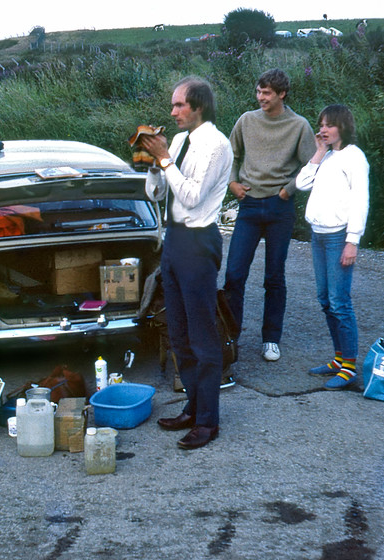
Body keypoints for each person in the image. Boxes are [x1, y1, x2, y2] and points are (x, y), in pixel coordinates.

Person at [138, 77, 233, 450]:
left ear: (199, 107)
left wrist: (164, 160)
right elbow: (159, 193)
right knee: (177, 332)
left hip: (198, 240)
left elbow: (192, 197)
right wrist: (152, 165)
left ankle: (209, 422)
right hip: (174, 240)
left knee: (202, 334)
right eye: (173, 105)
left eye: (179, 106)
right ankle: (194, 407)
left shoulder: (217, 145)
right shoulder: (177, 141)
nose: (173, 111)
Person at [224, 68, 316, 362]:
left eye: (266, 93)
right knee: (234, 274)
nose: (260, 97)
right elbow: (231, 154)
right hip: (249, 204)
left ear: (281, 94)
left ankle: (271, 339)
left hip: (280, 207)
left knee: (274, 276)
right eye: (258, 92)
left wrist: (289, 190)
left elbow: (312, 164)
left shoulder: (299, 126)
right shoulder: (247, 120)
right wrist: (232, 182)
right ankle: (230, 336)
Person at [295, 104, 369, 389]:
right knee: (325, 299)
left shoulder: (354, 158)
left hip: (339, 238)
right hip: (318, 236)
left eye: (329, 125)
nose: (323, 130)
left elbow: (361, 200)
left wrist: (353, 241)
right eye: (321, 124)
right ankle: (338, 359)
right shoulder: (325, 157)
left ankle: (349, 366)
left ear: (343, 127)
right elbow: (302, 183)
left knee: (340, 301)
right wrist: (317, 152)